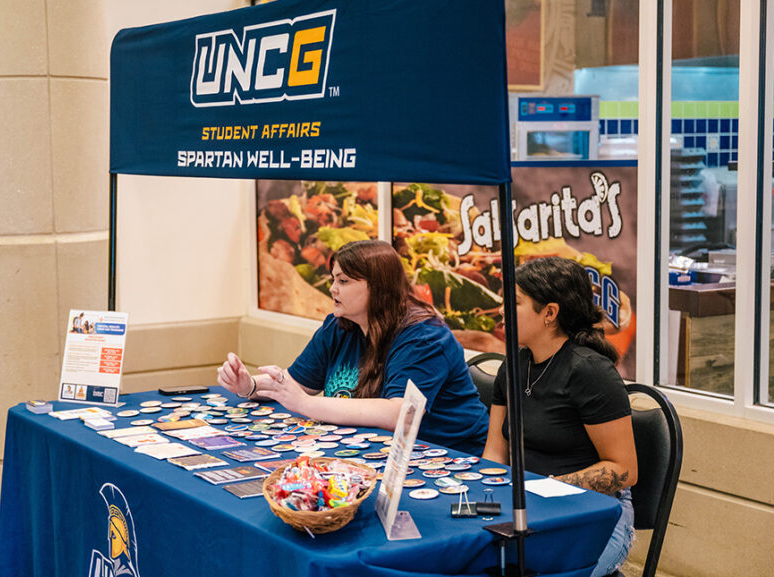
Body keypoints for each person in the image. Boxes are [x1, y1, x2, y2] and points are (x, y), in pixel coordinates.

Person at [217, 239, 488, 454]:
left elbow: (400, 414)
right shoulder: (339, 325)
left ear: (379, 288)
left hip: (447, 460)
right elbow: (294, 384)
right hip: (372, 452)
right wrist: (249, 386)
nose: (333, 289)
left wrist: (307, 404)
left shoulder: (424, 336)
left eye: (343, 281)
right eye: (333, 279)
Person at [481, 257, 637, 577]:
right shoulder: (511, 366)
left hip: (596, 513)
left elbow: (624, 470)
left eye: (514, 303)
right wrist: (488, 500)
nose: (501, 311)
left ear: (549, 313)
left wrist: (543, 489)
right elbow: (495, 453)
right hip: (529, 508)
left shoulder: (589, 371)